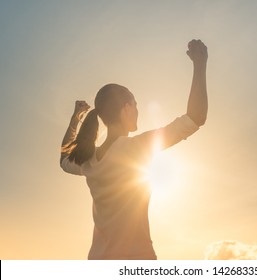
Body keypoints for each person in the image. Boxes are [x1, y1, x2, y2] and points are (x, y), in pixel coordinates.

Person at [60, 39, 208, 260]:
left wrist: (75, 118)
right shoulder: (136, 148)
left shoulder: (88, 161)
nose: (137, 109)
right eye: (135, 104)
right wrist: (200, 63)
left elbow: (63, 159)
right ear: (126, 108)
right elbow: (195, 118)